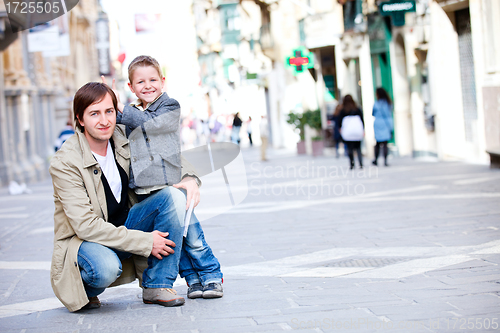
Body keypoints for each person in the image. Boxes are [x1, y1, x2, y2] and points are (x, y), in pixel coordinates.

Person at [49, 82, 200, 311]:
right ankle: (83, 288)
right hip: (85, 241)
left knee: (173, 197)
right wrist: (146, 242)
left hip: (126, 225)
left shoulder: (122, 135)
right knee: (105, 268)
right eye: (94, 114)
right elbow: (86, 226)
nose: (104, 121)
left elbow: (162, 148)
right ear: (80, 119)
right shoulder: (65, 162)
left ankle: (157, 284)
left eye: (109, 111)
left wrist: (189, 176)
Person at [112, 55, 223, 299]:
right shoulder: (130, 113)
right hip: (147, 192)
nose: (148, 85)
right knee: (174, 239)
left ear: (162, 81)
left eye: (153, 79)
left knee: (192, 234)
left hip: (172, 184)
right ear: (130, 87)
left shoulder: (170, 107)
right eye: (140, 82)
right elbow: (115, 122)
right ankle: (193, 280)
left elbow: (151, 123)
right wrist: (111, 104)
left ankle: (212, 275)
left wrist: (123, 111)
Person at [339, 95, 364, 169]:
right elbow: (362, 120)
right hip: (357, 131)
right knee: (358, 148)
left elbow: (339, 121)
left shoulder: (343, 110)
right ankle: (360, 163)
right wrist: (363, 129)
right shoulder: (357, 109)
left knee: (350, 149)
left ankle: (352, 164)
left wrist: (340, 129)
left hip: (348, 132)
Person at [372, 87, 393, 167]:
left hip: (378, 123)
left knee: (378, 143)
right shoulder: (388, 103)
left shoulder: (376, 103)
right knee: (385, 143)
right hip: (386, 123)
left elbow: (373, 113)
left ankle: (376, 160)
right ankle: (385, 161)